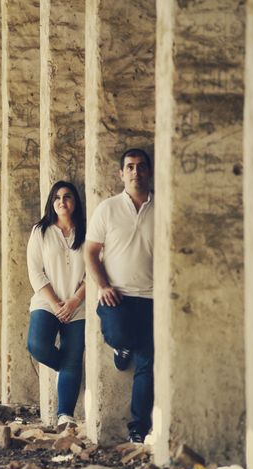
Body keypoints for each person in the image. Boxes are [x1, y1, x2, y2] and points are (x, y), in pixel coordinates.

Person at [84, 148, 154, 443]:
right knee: (121, 335)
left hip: (152, 298)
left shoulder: (163, 207)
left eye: (140, 166)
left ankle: (138, 430)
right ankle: (120, 346)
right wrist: (103, 285)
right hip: (117, 296)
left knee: (147, 366)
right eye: (130, 167)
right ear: (121, 174)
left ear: (148, 171)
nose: (135, 172)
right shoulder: (108, 208)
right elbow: (90, 252)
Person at [26, 180, 86, 427]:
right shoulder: (40, 231)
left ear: (75, 202)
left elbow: (94, 271)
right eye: (57, 197)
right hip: (46, 302)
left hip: (78, 306)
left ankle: (65, 416)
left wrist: (73, 301)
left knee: (73, 357)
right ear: (52, 203)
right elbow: (35, 271)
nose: (62, 201)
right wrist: (57, 303)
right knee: (37, 346)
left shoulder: (87, 232)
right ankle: (68, 371)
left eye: (68, 197)